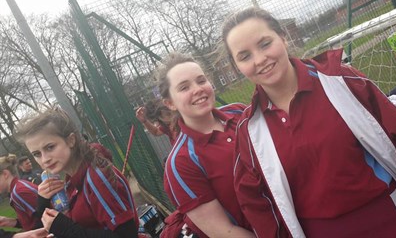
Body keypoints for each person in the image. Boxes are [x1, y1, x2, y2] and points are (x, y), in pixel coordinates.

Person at [222, 7, 396, 237]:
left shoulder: (341, 82)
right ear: (237, 67)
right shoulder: (250, 131)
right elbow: (258, 204)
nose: (259, 59)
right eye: (244, 56)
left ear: (284, 38)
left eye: (265, 44)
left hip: (390, 221)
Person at [156, 52, 254, 238]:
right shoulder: (181, 163)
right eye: (184, 87)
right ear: (170, 103)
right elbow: (223, 232)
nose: (198, 89)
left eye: (201, 81)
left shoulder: (240, 112)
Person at [15, 106, 139, 238]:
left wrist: (67, 229)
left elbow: (127, 234)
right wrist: (43, 203)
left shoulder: (96, 177)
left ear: (71, 140)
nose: (44, 159)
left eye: (50, 147)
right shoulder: (72, 176)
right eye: (36, 154)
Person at [0, 154, 41, 231]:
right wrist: (11, 222)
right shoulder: (17, 188)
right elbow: (33, 221)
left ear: (5, 174)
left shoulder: (19, 192)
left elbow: (46, 220)